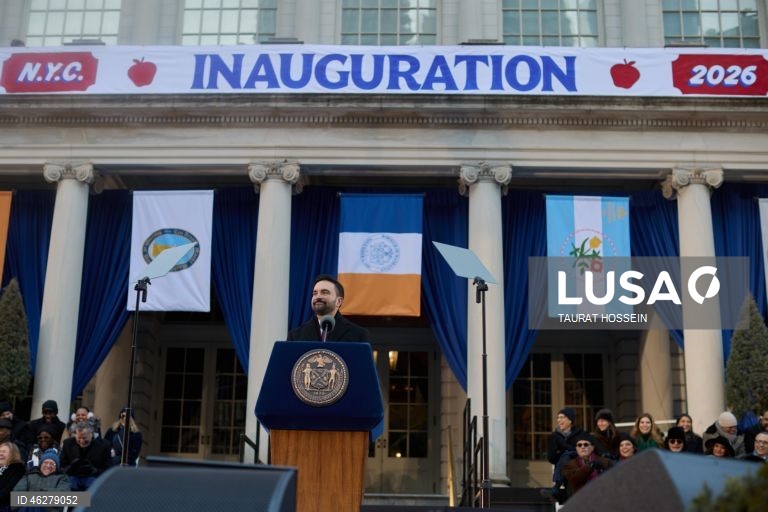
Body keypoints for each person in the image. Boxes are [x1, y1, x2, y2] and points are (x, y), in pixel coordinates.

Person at [287, 274, 371, 342]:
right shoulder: (295, 336)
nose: (318, 296)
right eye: (315, 293)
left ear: (339, 301)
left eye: (324, 292)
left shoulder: (358, 335)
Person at [540, 407, 584, 504]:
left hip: (579, 467)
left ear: (570, 420)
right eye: (558, 418)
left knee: (566, 455)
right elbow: (552, 457)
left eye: (562, 417)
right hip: (565, 469)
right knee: (565, 456)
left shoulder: (580, 434)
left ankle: (556, 488)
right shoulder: (554, 436)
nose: (559, 420)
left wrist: (564, 448)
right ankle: (557, 491)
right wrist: (564, 452)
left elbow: (581, 450)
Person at [59, 422, 112, 491]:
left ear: (91, 434)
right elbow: (62, 467)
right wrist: (71, 467)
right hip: (73, 476)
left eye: (84, 438)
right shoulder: (67, 444)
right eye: (79, 438)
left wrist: (95, 470)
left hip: (93, 477)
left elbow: (108, 469)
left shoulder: (104, 446)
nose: (81, 441)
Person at [562, 432, 614, 498]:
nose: (582, 447)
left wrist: (601, 470)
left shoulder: (605, 462)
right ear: (576, 449)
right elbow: (574, 479)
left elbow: (611, 481)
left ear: (592, 448)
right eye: (579, 445)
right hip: (581, 500)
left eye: (586, 444)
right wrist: (590, 466)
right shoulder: (570, 464)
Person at [0, 442, 25, 512]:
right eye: (0, 451)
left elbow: (9, 489)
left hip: (6, 505)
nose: (1, 454)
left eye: (4, 452)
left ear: (12, 454)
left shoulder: (18, 468)